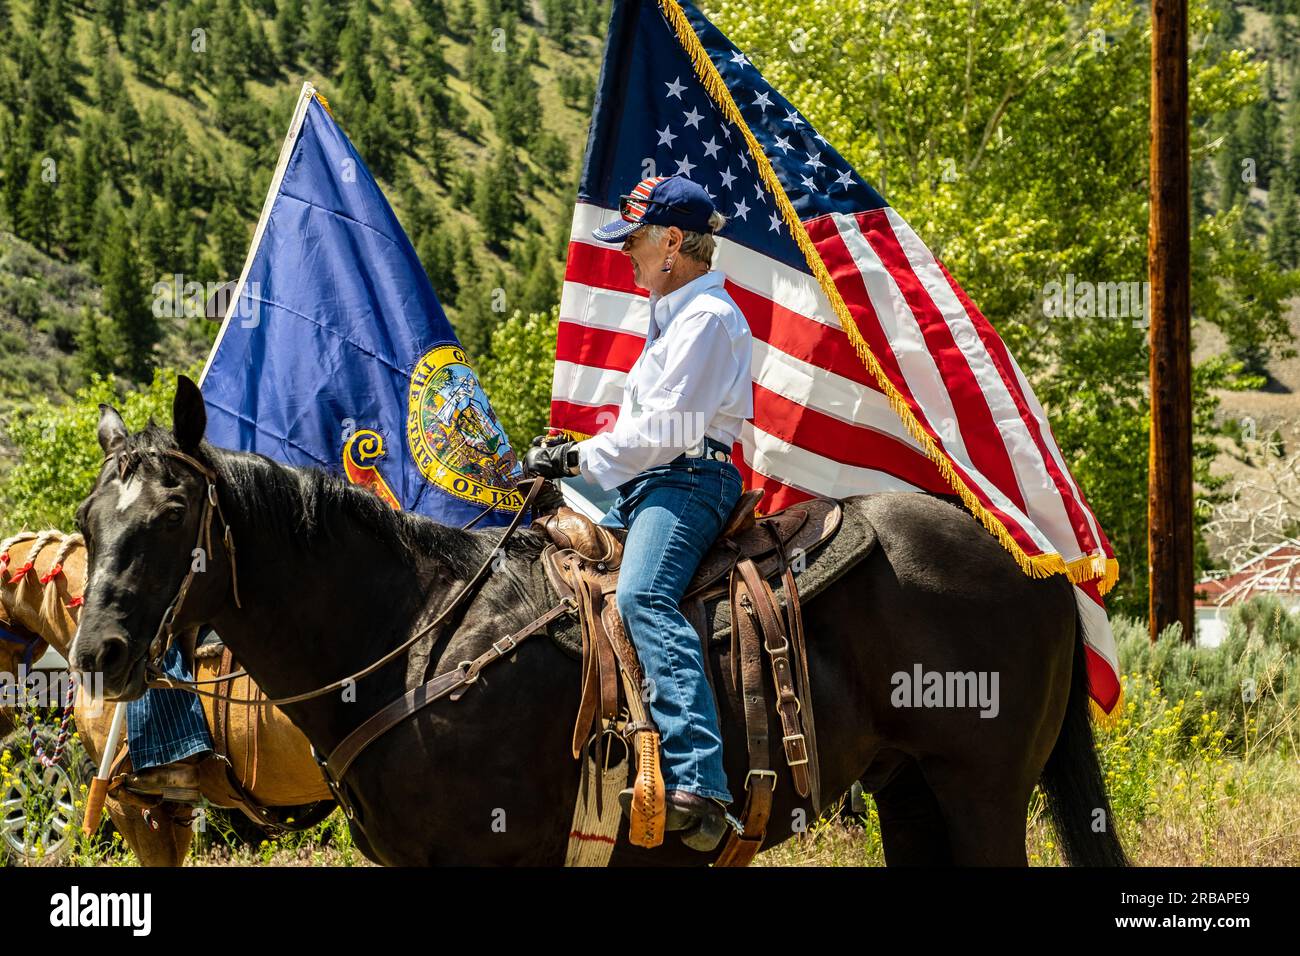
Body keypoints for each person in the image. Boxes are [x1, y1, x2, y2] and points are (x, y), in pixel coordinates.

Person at [524, 174, 754, 851]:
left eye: (634, 241)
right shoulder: (678, 318)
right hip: (648, 481)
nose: (626, 253)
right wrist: (567, 469)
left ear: (673, 243)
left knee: (643, 595)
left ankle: (703, 778)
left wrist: (576, 460)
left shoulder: (707, 319)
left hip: (687, 482)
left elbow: (664, 434)